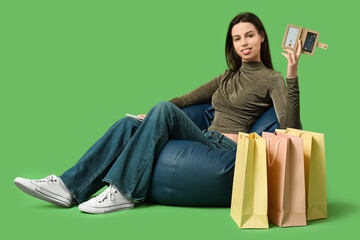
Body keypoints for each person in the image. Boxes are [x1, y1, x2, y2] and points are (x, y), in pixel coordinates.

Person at [14, 12, 302, 214]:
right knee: (128, 124)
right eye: (238, 38)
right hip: (204, 137)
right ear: (233, 44)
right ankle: (68, 187)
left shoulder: (272, 78)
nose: (244, 43)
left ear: (262, 37)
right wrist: (147, 117)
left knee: (162, 110)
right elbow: (185, 99)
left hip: (226, 147)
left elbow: (290, 126)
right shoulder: (227, 76)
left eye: (250, 35)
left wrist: (292, 75)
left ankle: (122, 192)